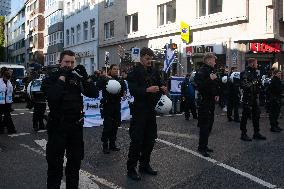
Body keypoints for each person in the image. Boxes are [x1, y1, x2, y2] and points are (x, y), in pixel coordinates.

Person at [42, 50, 99, 189]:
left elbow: (94, 93)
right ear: (59, 62)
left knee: (74, 166)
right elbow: (53, 96)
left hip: (75, 128)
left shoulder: (77, 78)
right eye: (66, 62)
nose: (69, 65)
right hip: (57, 128)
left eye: (72, 62)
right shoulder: (51, 78)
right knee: (55, 167)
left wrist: (85, 78)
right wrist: (62, 77)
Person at [126, 47, 167, 180]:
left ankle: (144, 165)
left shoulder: (154, 71)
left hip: (151, 110)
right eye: (147, 59)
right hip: (139, 110)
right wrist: (147, 90)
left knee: (150, 139)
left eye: (151, 59)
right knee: (137, 140)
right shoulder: (134, 72)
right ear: (141, 58)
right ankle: (131, 168)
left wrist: (162, 89)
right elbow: (133, 90)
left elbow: (159, 85)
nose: (149, 61)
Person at [97, 64, 127, 154]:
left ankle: (112, 144)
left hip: (116, 105)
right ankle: (105, 145)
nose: (116, 71)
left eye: (117, 69)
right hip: (107, 105)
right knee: (108, 126)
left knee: (115, 125)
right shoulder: (105, 79)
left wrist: (121, 91)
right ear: (110, 70)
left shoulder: (120, 80)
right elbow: (97, 86)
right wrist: (103, 79)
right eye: (114, 69)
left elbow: (123, 92)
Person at [194, 53, 219, 157]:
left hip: (211, 101)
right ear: (208, 60)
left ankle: (205, 144)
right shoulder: (202, 71)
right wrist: (210, 79)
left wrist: (217, 93)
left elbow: (214, 85)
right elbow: (199, 86)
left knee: (209, 124)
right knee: (204, 125)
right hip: (204, 101)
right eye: (213, 60)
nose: (215, 62)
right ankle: (201, 147)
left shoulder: (211, 70)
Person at [240, 58, 266, 141]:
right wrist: (253, 83)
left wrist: (259, 88)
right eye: (256, 63)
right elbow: (244, 85)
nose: (257, 65)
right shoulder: (245, 73)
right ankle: (243, 134)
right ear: (252, 64)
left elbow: (257, 85)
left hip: (254, 97)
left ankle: (256, 133)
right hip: (247, 97)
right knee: (245, 116)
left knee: (256, 115)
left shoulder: (255, 72)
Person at [0, 68, 17, 134]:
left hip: (7, 102)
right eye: (6, 78)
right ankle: (2, 129)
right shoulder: (0, 82)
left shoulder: (9, 82)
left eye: (8, 78)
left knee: (7, 116)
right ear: (3, 76)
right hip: (1, 102)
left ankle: (11, 129)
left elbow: (11, 92)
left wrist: (11, 100)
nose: (7, 79)